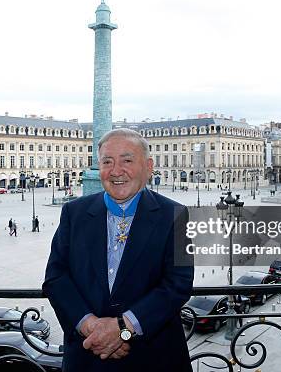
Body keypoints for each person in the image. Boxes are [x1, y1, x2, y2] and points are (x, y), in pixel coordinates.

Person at [43, 128, 194, 372]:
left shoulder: (175, 214)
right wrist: (91, 327)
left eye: (127, 160)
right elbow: (56, 277)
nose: (116, 171)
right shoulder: (74, 213)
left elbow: (178, 283)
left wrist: (123, 329)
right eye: (107, 162)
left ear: (148, 166)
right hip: (88, 355)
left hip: (153, 357)